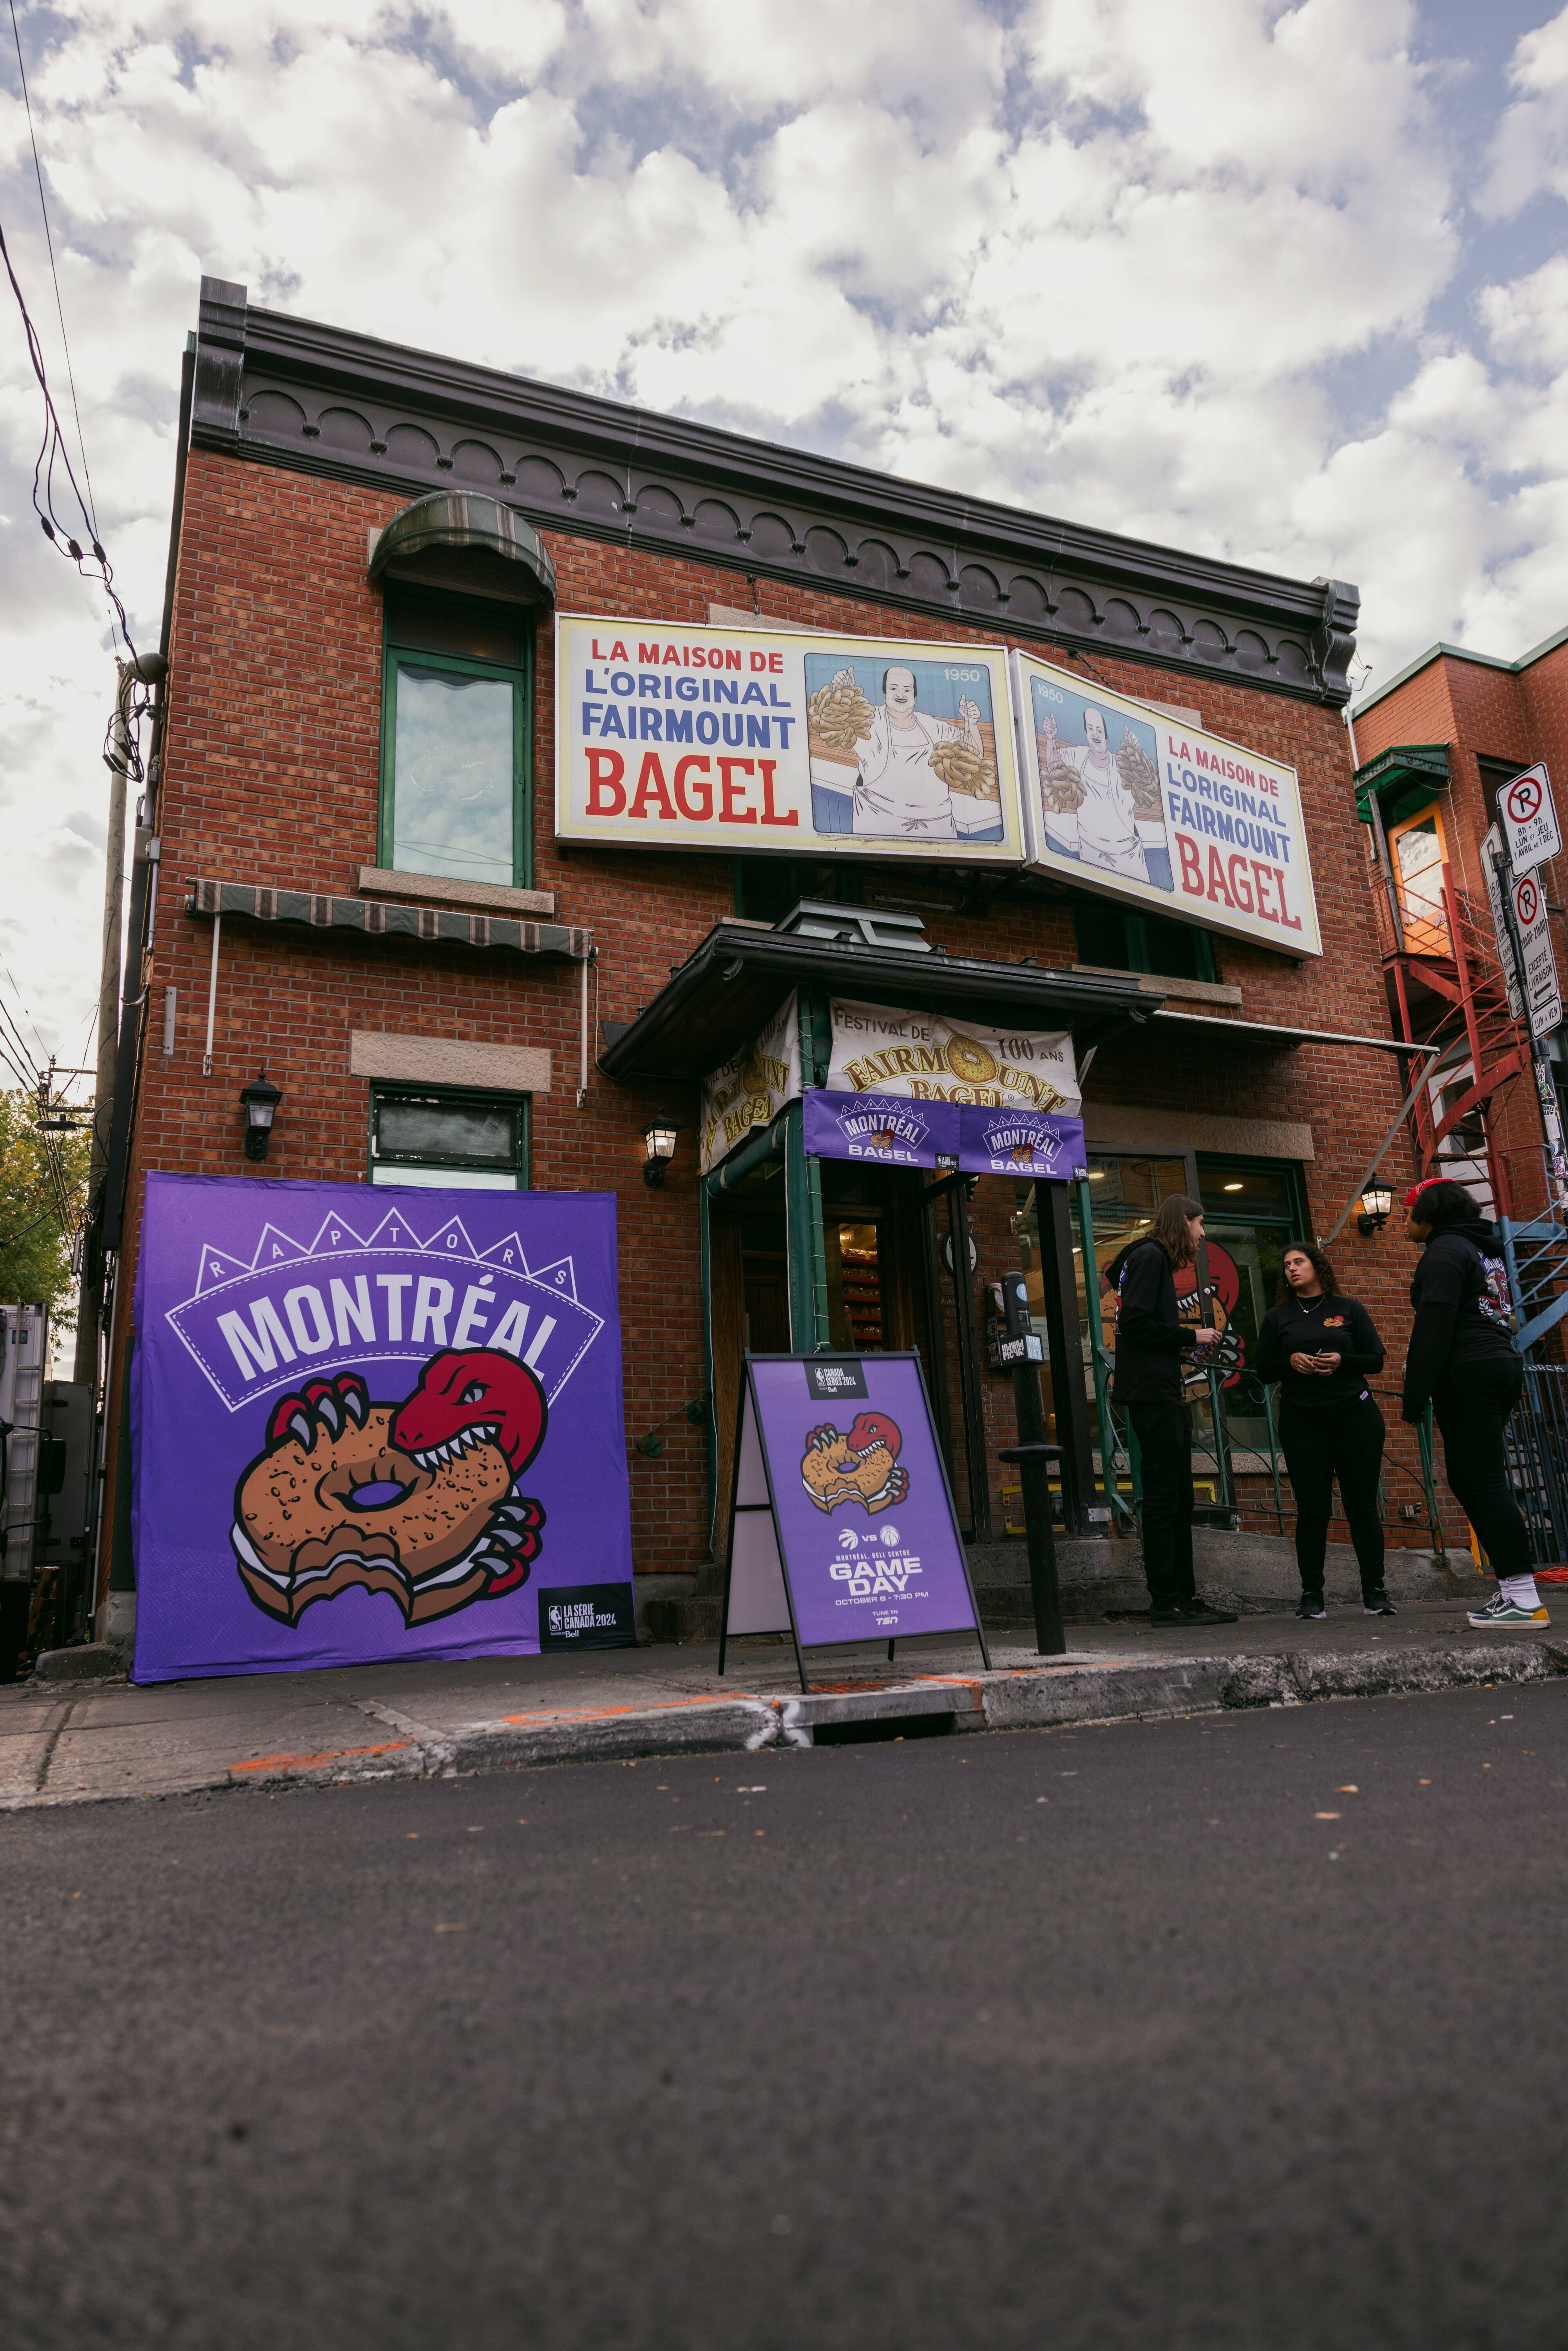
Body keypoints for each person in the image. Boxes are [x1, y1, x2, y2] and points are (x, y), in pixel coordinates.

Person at [1401, 1176, 1548, 1628]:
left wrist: (1415, 1395)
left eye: (1409, 1213)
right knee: (1474, 1479)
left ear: (1428, 1216)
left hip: (1468, 1370)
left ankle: (1523, 1597)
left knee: (1480, 1480)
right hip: (1499, 1363)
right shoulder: (1484, 1251)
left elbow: (1434, 1326)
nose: (1405, 1223)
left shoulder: (1444, 1251)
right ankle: (1514, 1593)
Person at [1104, 1196, 1238, 1628]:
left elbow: (1140, 1322)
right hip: (1152, 1396)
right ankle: (1167, 1603)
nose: (1202, 1235)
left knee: (1179, 1500)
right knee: (1166, 1501)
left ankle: (1183, 1596)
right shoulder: (1150, 1257)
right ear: (1183, 1221)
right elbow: (1137, 1324)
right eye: (1200, 1224)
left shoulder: (1143, 1258)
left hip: (1160, 1391)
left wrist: (1183, 1343)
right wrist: (1191, 1332)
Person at [1255, 1241, 1391, 1619]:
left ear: (1317, 1267)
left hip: (1355, 1418)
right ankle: (1312, 1596)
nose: (1292, 1270)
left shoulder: (1349, 1309)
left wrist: (1342, 1360)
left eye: (1299, 1262)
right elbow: (1263, 1369)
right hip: (1303, 1421)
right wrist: (1290, 1361)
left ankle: (1375, 1593)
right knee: (1313, 1510)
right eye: (1286, 1265)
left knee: (1362, 1506)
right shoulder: (1278, 1317)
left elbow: (1376, 1360)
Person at [839, 664, 981, 840]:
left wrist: (971, 723)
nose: (901, 694)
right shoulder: (869, 719)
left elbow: (974, 757)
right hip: (878, 828)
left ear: (915, 696)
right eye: (894, 688)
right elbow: (842, 719)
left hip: (938, 832)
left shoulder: (933, 727)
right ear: (885, 694)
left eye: (907, 690)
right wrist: (845, 692)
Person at [1037, 703, 1150, 880]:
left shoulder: (1121, 765)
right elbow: (1054, 766)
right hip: (1091, 853)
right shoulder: (1078, 756)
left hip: (1128, 857)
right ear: (1086, 734)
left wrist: (1135, 751)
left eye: (1099, 730)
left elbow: (1144, 786)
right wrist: (1051, 738)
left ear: (1106, 735)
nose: (1095, 735)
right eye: (1091, 729)